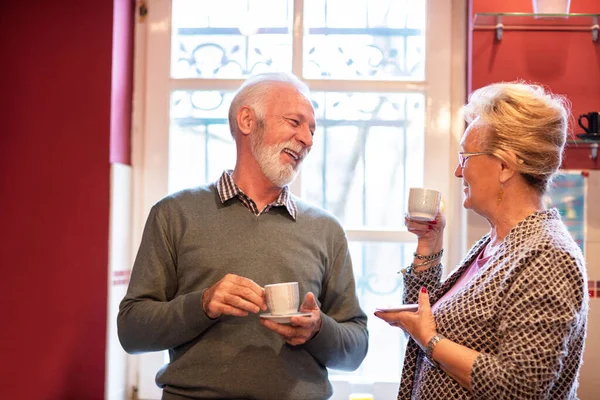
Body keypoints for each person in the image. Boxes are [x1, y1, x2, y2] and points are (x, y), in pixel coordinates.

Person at [118, 72, 368, 400]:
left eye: (312, 130)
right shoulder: (174, 214)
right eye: (295, 122)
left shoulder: (326, 230)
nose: (307, 139)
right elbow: (132, 331)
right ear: (248, 120)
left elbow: (356, 349)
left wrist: (318, 329)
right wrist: (202, 305)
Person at [375, 82, 588, 399]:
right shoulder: (496, 244)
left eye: (466, 156)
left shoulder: (547, 256)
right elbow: (426, 315)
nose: (458, 171)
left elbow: (521, 388)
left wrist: (431, 341)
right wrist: (429, 243)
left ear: (504, 166)